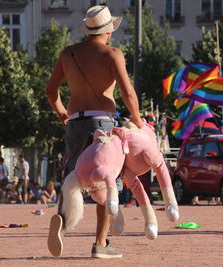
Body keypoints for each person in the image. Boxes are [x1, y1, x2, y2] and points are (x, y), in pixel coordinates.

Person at [46, 5, 143, 258]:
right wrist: (137, 118)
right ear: (109, 30)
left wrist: (62, 112)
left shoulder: (68, 54)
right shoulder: (112, 54)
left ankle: (61, 222)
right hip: (104, 123)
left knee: (71, 177)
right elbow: (127, 92)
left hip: (76, 121)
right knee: (105, 179)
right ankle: (101, 243)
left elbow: (51, 91)